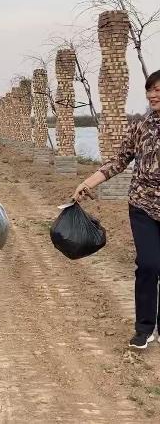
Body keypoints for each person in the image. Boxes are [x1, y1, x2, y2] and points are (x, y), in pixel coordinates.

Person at [73, 69, 160, 350]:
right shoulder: (140, 126)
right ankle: (144, 328)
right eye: (150, 90)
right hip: (143, 206)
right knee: (148, 265)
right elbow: (119, 161)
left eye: (159, 89)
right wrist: (88, 182)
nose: (153, 94)